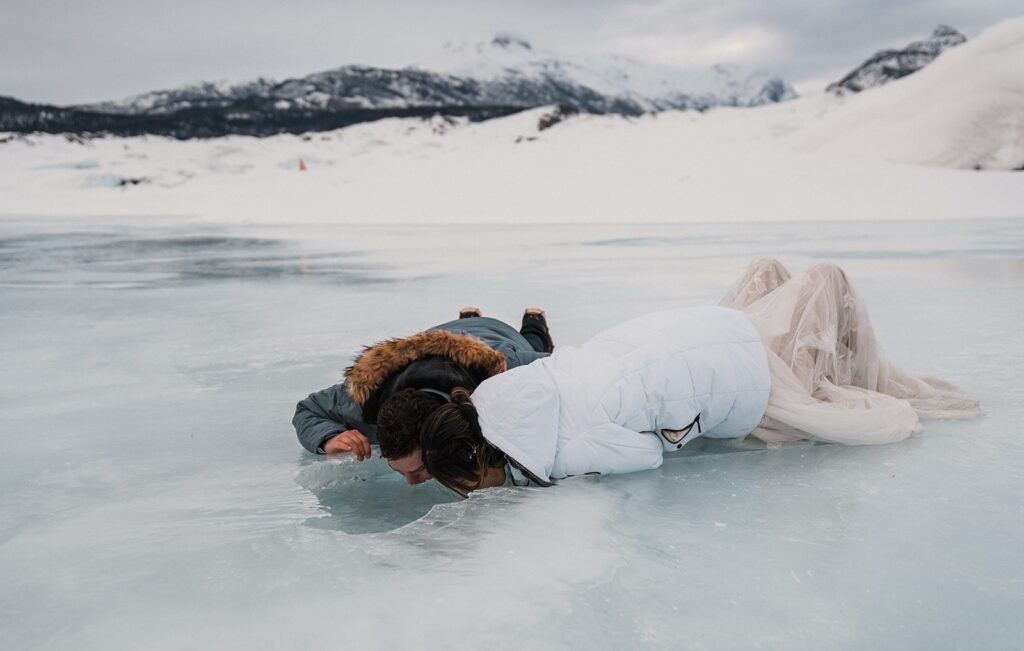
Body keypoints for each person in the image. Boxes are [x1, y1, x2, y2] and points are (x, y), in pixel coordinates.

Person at [379, 259, 981, 496]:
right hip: (685, 330)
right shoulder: (515, 389)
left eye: (463, 484)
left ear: (477, 461)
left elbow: (645, 457)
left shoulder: (563, 448)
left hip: (732, 373)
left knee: (818, 347)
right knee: (772, 294)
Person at [291, 308, 554, 484]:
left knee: (533, 341)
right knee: (459, 332)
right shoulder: (366, 398)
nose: (412, 484)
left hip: (497, 337)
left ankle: (534, 321)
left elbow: (564, 368)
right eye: (402, 472)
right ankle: (466, 319)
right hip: (441, 336)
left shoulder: (504, 375)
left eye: (418, 471)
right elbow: (308, 409)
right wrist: (328, 438)